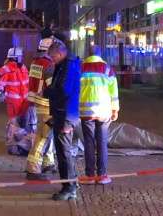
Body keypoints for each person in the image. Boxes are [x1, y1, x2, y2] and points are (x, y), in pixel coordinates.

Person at [43, 40, 81, 201]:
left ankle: (69, 186)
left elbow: (63, 89)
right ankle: (71, 182)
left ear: (60, 53)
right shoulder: (67, 64)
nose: (52, 60)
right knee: (62, 151)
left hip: (65, 114)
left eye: (53, 57)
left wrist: (47, 92)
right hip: (64, 113)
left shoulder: (67, 66)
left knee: (63, 152)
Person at [79, 44, 119, 184]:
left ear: (88, 54)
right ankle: (101, 175)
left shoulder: (81, 68)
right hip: (104, 112)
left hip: (86, 112)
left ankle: (89, 175)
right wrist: (115, 109)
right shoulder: (107, 69)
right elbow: (114, 92)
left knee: (89, 143)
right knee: (102, 142)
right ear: (100, 54)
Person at [25, 37, 57, 181]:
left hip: (38, 104)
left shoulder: (35, 62)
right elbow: (52, 87)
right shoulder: (49, 65)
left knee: (46, 135)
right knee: (43, 138)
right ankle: (33, 168)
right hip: (46, 104)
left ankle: (48, 163)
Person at [0, 47, 30, 118]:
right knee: (14, 120)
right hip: (14, 100)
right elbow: (0, 84)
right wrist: (1, 94)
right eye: (20, 56)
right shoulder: (6, 69)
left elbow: (27, 82)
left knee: (24, 120)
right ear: (15, 58)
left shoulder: (22, 67)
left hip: (24, 98)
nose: (21, 58)